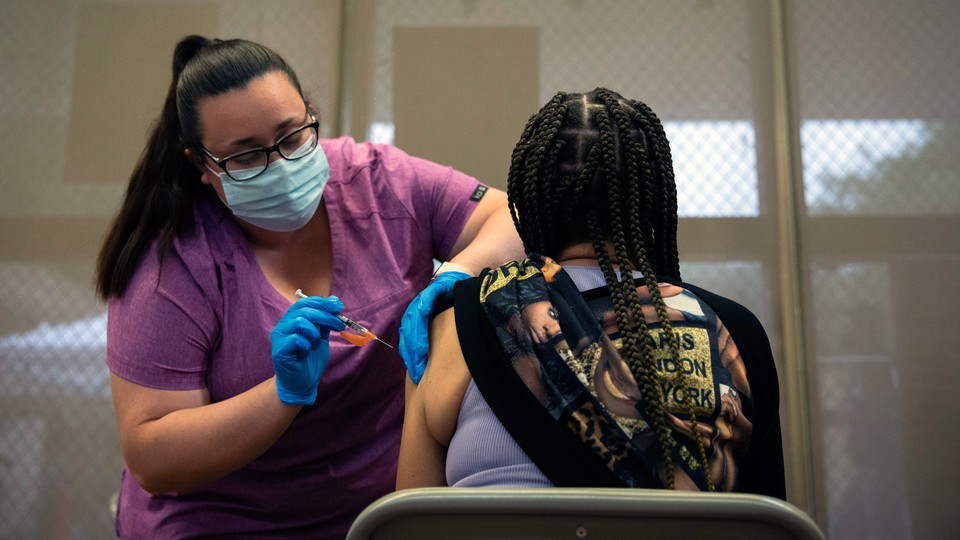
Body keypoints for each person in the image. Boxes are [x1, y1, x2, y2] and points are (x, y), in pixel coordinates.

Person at [94, 35, 521, 539]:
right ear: (201, 165)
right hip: (221, 525)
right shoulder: (173, 261)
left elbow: (509, 217)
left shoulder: (377, 180)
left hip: (372, 518)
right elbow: (153, 457)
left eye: (292, 136)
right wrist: (283, 395)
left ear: (310, 114)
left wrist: (454, 275)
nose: (280, 164)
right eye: (245, 156)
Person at [396, 88, 786, 498]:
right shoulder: (734, 333)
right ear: (653, 201)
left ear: (530, 203)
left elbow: (408, 520)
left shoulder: (454, 328)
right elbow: (768, 521)